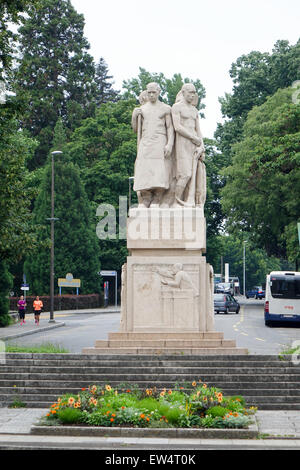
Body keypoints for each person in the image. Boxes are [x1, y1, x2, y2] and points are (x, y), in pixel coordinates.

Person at [131, 82, 174, 208]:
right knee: (144, 169)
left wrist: (170, 144)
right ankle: (146, 197)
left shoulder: (166, 108)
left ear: (159, 92)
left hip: (160, 140)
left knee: (159, 170)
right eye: (149, 92)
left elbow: (170, 128)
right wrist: (134, 116)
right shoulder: (142, 109)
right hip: (145, 141)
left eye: (153, 92)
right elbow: (135, 129)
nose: (151, 95)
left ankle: (157, 197)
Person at [171, 83, 206, 207]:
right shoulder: (176, 107)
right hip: (183, 143)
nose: (193, 95)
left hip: (195, 144)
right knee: (185, 174)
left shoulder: (194, 110)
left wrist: (202, 145)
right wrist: (193, 138)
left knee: (194, 176)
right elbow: (177, 127)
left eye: (194, 92)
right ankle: (176, 201)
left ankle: (187, 201)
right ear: (184, 92)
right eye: (190, 92)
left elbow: (198, 130)